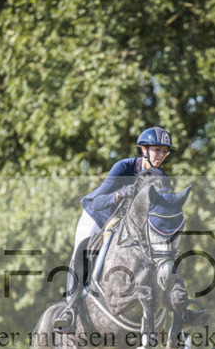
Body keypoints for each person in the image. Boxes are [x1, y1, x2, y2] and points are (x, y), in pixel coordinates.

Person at [54, 127, 179, 330]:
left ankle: (177, 305)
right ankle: (70, 308)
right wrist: (119, 194)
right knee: (82, 250)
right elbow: (94, 202)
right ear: (143, 150)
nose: (162, 155)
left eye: (165, 151)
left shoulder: (161, 177)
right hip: (97, 217)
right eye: (158, 150)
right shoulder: (123, 168)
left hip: (124, 225)